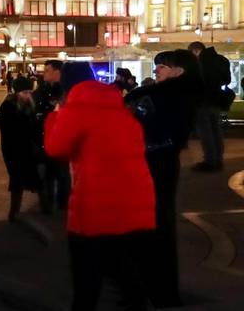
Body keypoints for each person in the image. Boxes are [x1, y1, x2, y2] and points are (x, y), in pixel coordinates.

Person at [46, 63, 155, 311]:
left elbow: (56, 148)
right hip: (134, 205)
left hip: (96, 207)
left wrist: (55, 115)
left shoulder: (75, 109)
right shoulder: (120, 109)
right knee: (125, 271)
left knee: (87, 279)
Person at [124, 50, 199, 307]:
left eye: (163, 66)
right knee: (155, 224)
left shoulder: (170, 96)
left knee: (156, 225)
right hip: (158, 162)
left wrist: (135, 104)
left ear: (179, 71)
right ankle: (157, 288)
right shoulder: (167, 94)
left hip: (157, 163)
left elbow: (146, 123)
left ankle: (158, 290)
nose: (156, 70)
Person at [0, 77, 42, 221]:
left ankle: (43, 208)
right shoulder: (8, 106)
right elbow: (9, 129)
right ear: (16, 92)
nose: (28, 95)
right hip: (13, 150)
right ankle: (13, 213)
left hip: (28, 149)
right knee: (17, 180)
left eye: (29, 92)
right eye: (24, 92)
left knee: (32, 178)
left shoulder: (30, 106)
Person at [34, 59, 70, 213]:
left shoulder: (65, 91)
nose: (44, 73)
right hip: (43, 141)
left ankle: (63, 205)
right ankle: (46, 206)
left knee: (62, 174)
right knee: (45, 175)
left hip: (60, 140)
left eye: (47, 70)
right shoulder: (41, 90)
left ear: (57, 72)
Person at [189, 41, 230, 172]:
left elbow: (196, 82)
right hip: (216, 100)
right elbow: (227, 80)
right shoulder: (221, 59)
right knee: (216, 130)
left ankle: (210, 161)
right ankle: (218, 159)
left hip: (202, 100)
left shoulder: (200, 62)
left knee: (205, 132)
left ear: (195, 51)